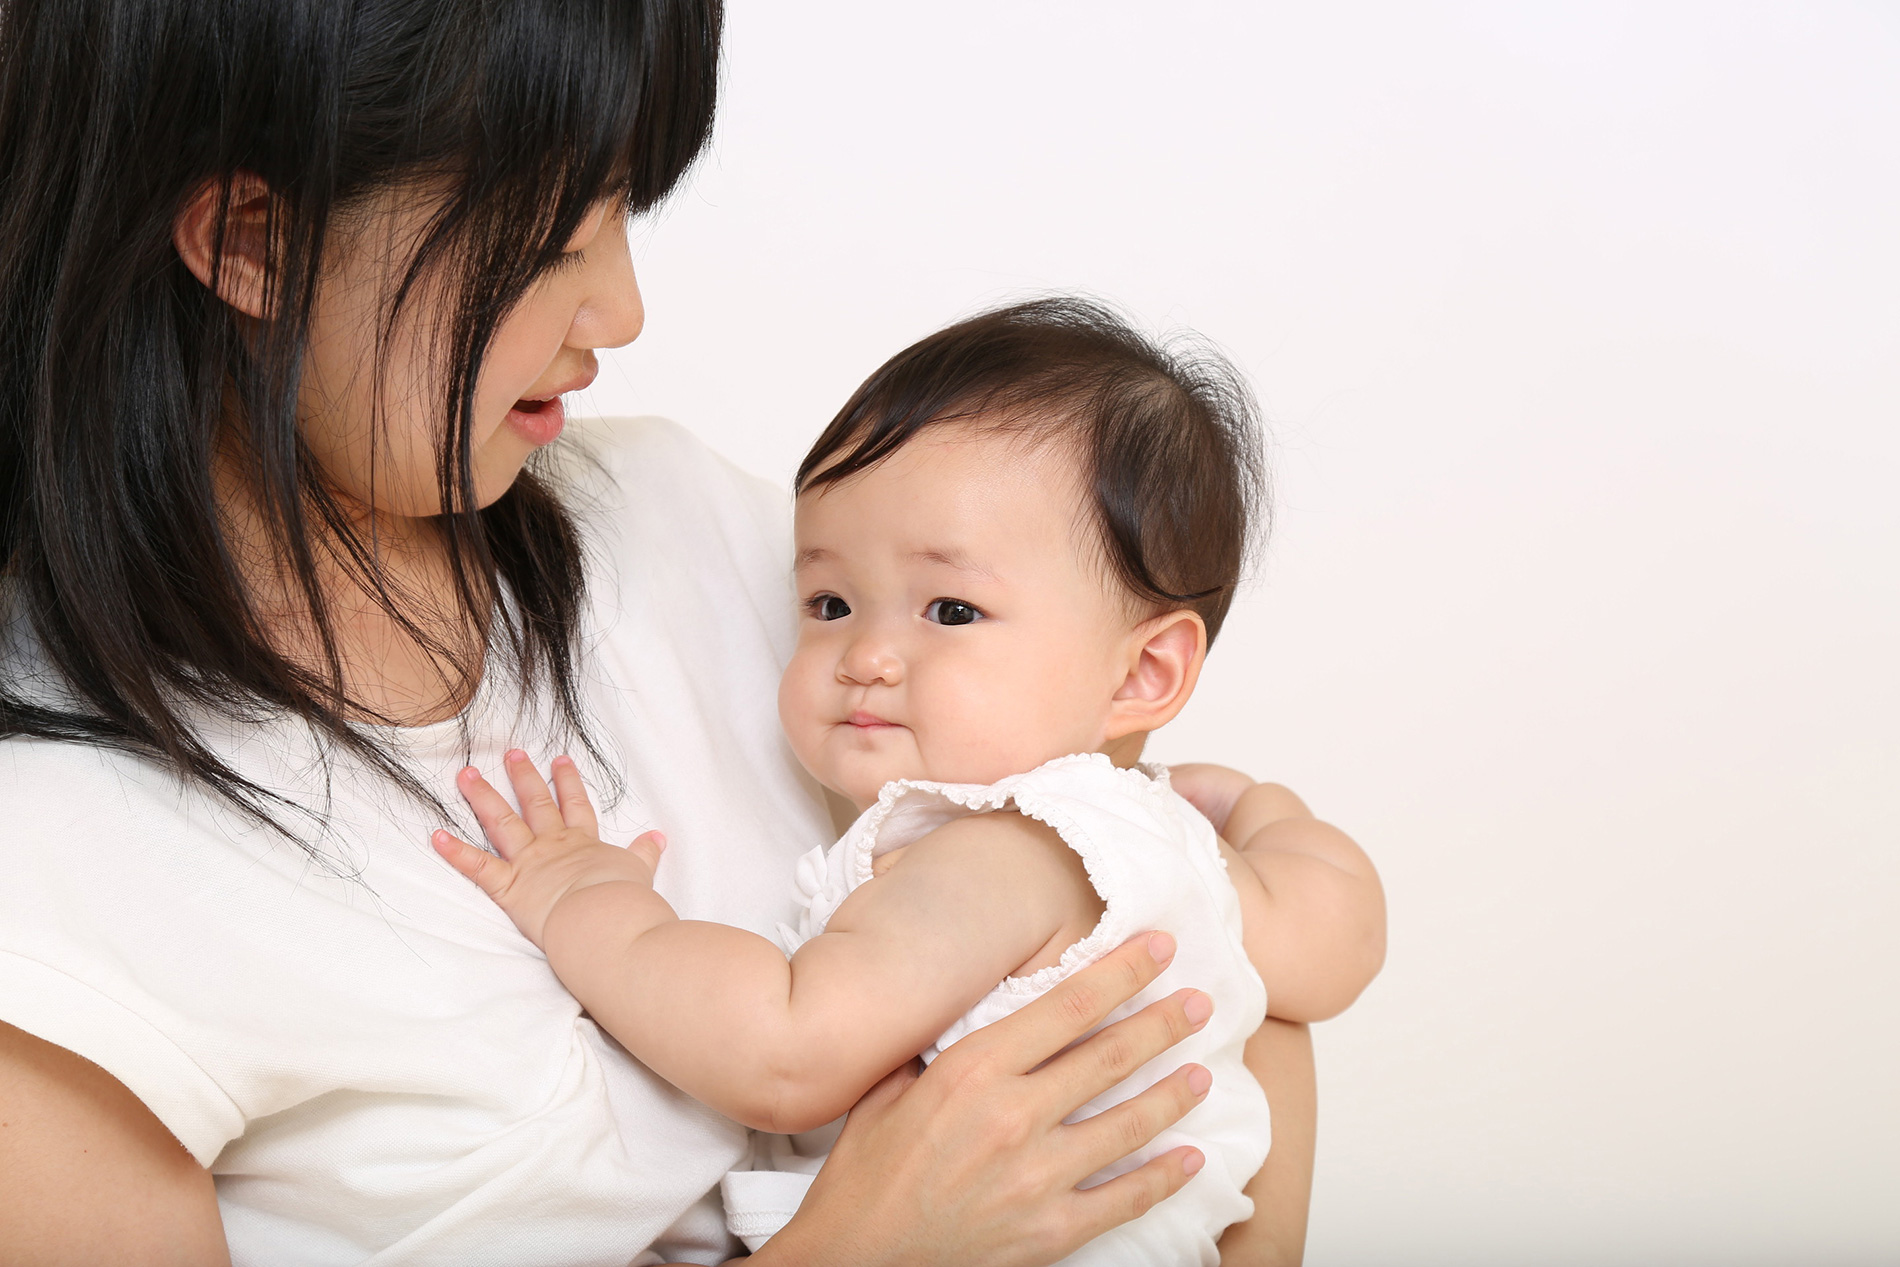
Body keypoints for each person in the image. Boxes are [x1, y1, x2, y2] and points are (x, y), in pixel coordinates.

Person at [0, 0, 1381, 1263]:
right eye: (548, 241)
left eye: (622, 215)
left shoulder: (703, 531)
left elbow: (1216, 989)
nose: (623, 310)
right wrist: (868, 1240)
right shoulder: (49, 894)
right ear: (254, 242)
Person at [431, 298, 1387, 1264]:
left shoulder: (997, 853)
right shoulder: (1171, 851)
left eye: (952, 608)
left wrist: (590, 903)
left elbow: (784, 1050)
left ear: (1144, 674)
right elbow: (1337, 942)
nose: (869, 654)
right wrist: (1264, 813)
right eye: (831, 602)